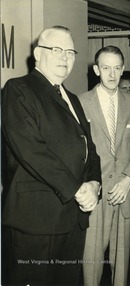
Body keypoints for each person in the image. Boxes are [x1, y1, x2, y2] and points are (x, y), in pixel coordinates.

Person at [1, 25, 101, 286]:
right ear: (37, 53)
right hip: (37, 221)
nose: (64, 58)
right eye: (56, 50)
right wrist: (78, 189)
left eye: (70, 52)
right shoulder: (18, 89)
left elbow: (90, 149)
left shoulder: (72, 97)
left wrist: (94, 183)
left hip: (73, 220)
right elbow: (32, 151)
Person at [79, 45, 130, 286]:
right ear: (96, 69)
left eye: (117, 68)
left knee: (121, 268)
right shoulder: (80, 102)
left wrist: (129, 178)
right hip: (94, 196)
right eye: (106, 68)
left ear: (122, 70)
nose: (112, 74)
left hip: (125, 194)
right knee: (91, 265)